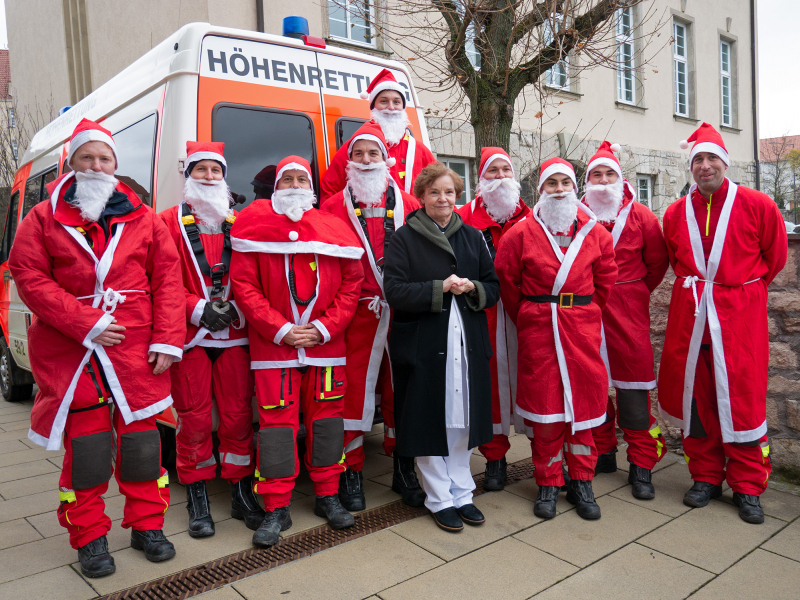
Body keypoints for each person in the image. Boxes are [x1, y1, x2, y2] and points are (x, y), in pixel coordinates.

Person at [8, 118, 185, 577]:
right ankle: (90, 537)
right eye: (87, 156)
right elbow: (29, 277)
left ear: (115, 164)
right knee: (86, 453)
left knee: (144, 448)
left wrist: (168, 338)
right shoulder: (41, 218)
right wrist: (86, 322)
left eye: (104, 158)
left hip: (136, 349)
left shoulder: (142, 216)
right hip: (74, 351)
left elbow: (168, 279)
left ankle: (148, 526)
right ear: (72, 161)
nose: (96, 165)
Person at [230, 155, 364, 547]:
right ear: (276, 188)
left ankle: (327, 495)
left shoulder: (333, 230)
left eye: (299, 179)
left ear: (310, 188)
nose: (292, 185)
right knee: (276, 429)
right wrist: (282, 330)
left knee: (326, 425)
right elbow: (244, 286)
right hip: (275, 349)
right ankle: (276, 506)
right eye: (285, 179)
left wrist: (323, 329)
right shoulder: (252, 230)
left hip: (326, 347)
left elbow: (351, 285)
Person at [659, 123, 787, 524]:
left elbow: (775, 256)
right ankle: (706, 477)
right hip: (692, 315)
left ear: (725, 164)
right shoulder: (676, 212)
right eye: (698, 159)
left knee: (743, 399)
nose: (705, 166)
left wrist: (738, 290)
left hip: (738, 317)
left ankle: (748, 486)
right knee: (697, 398)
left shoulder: (758, 204)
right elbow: (675, 260)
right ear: (691, 167)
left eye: (712, 158)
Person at [495, 157, 617, 521]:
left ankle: (581, 480)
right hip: (539, 330)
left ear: (574, 187)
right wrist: (532, 315)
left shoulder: (596, 233)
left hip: (581, 328)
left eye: (565, 183)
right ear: (541, 190)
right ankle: (547, 481)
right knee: (547, 412)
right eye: (552, 184)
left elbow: (605, 283)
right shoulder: (520, 234)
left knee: (581, 410)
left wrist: (583, 312)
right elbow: (507, 279)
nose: (560, 190)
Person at [384, 162, 500, 532]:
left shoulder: (473, 236)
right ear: (421, 196)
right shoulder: (404, 237)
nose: (443, 199)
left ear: (458, 195)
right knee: (429, 417)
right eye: (435, 192)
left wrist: (473, 289)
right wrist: (441, 288)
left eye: (449, 192)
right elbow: (395, 291)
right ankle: (438, 496)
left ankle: (463, 491)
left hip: (465, 340)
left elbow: (493, 286)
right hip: (425, 342)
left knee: (463, 414)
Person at [159, 141, 263, 539]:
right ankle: (197, 496)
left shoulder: (241, 222)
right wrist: (196, 307)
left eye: (214, 171)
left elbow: (257, 275)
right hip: (191, 337)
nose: (208, 176)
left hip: (235, 335)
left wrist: (236, 305)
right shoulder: (167, 222)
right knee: (195, 420)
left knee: (238, 418)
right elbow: (161, 281)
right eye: (200, 170)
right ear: (188, 178)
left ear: (224, 178)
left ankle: (240, 491)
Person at [320, 123, 425, 511]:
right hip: (355, 316)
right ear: (348, 162)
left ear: (386, 160)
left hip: (402, 315)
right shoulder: (331, 208)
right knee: (351, 395)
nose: (366, 161)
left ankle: (404, 468)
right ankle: (351, 472)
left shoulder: (412, 205)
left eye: (373, 154)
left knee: (402, 393)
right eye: (359, 154)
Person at [582, 141, 670, 500]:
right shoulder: (576, 212)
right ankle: (603, 451)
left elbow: (657, 265)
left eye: (609, 174)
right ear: (587, 181)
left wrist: (630, 292)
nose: (603, 181)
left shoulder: (642, 217)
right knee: (592, 382)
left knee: (633, 389)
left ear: (621, 179)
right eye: (596, 175)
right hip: (586, 309)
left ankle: (642, 463)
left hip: (628, 308)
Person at [457, 147, 531, 491]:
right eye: (492, 171)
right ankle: (495, 459)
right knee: (487, 387)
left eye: (505, 170)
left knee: (532, 380)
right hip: (481, 313)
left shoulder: (534, 218)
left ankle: (543, 452)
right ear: (480, 180)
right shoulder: (462, 219)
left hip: (524, 312)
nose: (500, 177)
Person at [320, 69, 435, 202]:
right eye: (384, 101)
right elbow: (329, 194)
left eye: (396, 102)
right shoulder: (354, 149)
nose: (391, 107)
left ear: (403, 107)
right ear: (373, 106)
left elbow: (441, 189)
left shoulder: (419, 151)